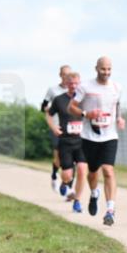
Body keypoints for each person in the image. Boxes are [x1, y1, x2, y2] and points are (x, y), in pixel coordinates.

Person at [69, 57, 125, 226]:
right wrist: (87, 114)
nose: (106, 72)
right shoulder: (85, 87)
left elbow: (117, 105)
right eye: (103, 69)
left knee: (108, 170)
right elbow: (71, 107)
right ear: (96, 68)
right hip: (89, 136)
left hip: (109, 136)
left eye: (109, 69)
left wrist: (120, 118)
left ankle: (110, 210)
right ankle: (94, 193)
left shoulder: (117, 87)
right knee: (92, 173)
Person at [47, 72, 88, 213]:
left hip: (82, 141)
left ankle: (77, 201)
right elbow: (48, 113)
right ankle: (64, 183)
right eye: (71, 84)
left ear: (80, 84)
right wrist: (53, 128)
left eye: (76, 83)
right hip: (65, 141)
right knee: (68, 175)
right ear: (66, 84)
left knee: (82, 169)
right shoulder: (59, 100)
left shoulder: (84, 99)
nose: (74, 86)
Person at [41, 65, 72, 193]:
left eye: (69, 75)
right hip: (56, 127)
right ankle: (54, 175)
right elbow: (43, 107)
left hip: (70, 128)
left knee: (71, 158)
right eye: (64, 74)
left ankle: (68, 187)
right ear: (60, 75)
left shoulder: (75, 91)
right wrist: (49, 109)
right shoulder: (52, 90)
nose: (67, 77)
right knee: (58, 158)